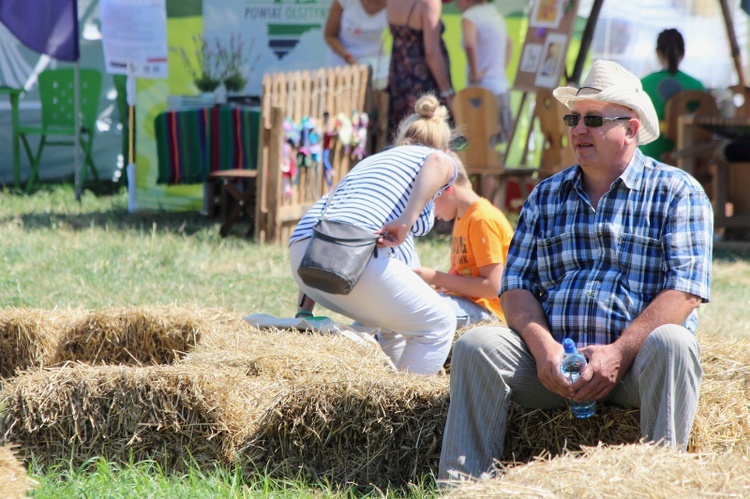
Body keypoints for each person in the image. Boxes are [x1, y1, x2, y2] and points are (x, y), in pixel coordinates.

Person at [438, 59, 713, 481]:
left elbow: (685, 292)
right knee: (476, 347)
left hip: (635, 367)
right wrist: (544, 348)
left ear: (631, 129)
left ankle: (662, 484)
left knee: (675, 342)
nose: (578, 129)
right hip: (549, 368)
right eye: (573, 118)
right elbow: (514, 288)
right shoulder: (545, 195)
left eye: (593, 120)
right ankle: (461, 487)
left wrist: (619, 353)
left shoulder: (677, 191)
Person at [290, 94, 459, 375]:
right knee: (439, 323)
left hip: (303, 259)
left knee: (393, 323)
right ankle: (403, 414)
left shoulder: (373, 161)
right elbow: (440, 162)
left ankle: (377, 390)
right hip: (351, 259)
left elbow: (328, 233)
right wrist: (406, 221)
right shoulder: (436, 158)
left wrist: (304, 308)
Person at [413, 154, 513, 327]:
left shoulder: (482, 218)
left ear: (447, 188)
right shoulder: (463, 217)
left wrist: (435, 277)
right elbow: (463, 274)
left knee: (415, 312)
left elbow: (493, 287)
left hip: (490, 312)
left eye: (429, 199)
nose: (427, 209)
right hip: (471, 305)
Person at [386, 0, 454, 138]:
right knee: (429, 136)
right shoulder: (429, 3)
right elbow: (432, 53)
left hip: (398, 79)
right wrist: (448, 93)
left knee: (402, 135)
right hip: (423, 82)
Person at [640, 28, 705, 162]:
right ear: (683, 53)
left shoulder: (642, 84)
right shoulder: (696, 85)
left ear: (658, 53)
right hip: (689, 154)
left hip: (651, 154)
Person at [456, 0, 513, 144]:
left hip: (481, 93)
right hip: (500, 87)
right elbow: (509, 43)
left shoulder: (470, 15)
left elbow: (470, 44)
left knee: (478, 145)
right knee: (496, 147)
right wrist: (500, 68)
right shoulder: (494, 13)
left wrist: (476, 74)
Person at [323, 0, 390, 91]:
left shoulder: (394, 4)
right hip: (341, 64)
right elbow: (330, 35)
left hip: (377, 69)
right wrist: (348, 57)